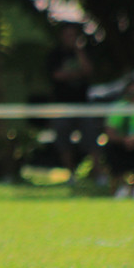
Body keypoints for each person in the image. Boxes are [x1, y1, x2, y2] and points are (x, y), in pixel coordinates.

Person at [45, 23, 101, 184]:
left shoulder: (84, 52)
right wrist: (77, 74)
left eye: (73, 35)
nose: (70, 38)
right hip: (61, 105)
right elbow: (57, 76)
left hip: (83, 104)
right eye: (67, 35)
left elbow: (87, 71)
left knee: (91, 137)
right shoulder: (55, 55)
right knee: (63, 138)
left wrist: (78, 52)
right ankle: (71, 175)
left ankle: (98, 173)